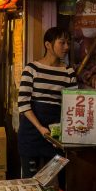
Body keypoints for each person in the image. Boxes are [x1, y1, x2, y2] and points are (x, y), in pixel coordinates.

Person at [17, 26, 76, 178]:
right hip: (31, 133)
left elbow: (72, 105)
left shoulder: (68, 72)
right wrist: (40, 128)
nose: (66, 47)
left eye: (68, 43)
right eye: (62, 43)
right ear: (48, 45)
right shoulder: (31, 69)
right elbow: (23, 104)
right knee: (31, 184)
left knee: (54, 184)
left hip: (55, 136)